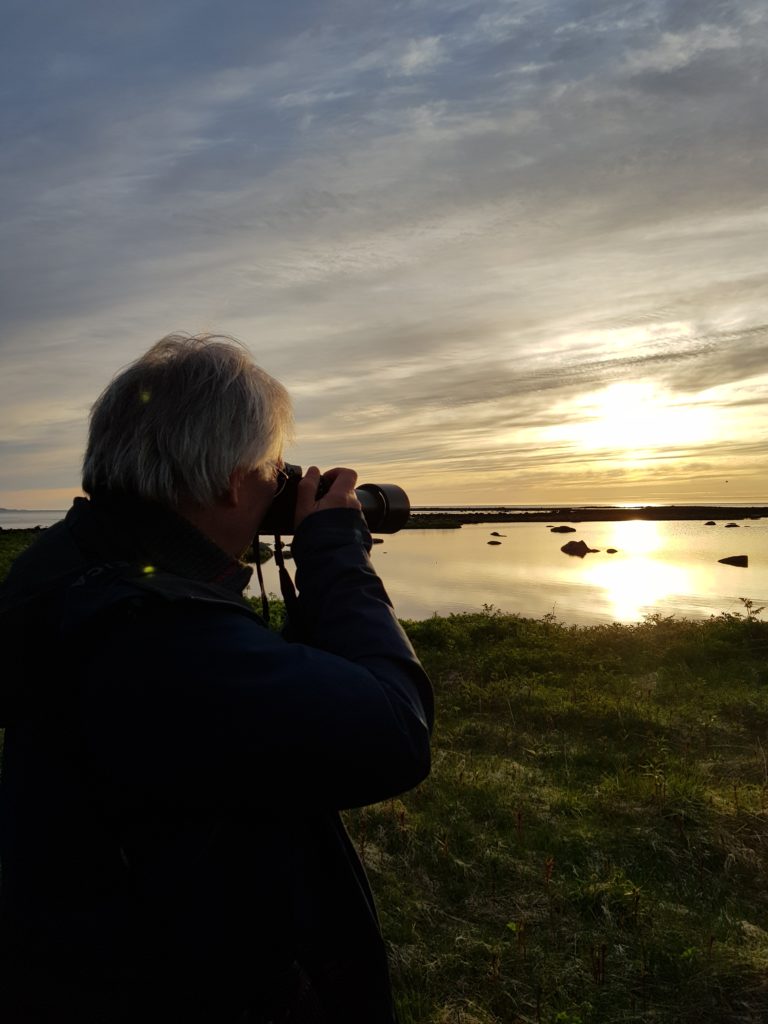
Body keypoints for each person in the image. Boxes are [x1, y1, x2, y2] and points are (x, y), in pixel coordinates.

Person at [0, 334, 433, 1023]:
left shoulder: (67, 566)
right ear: (234, 479)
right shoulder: (153, 630)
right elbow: (393, 731)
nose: (278, 483)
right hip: (185, 986)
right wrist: (336, 554)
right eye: (272, 467)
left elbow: (249, 702)